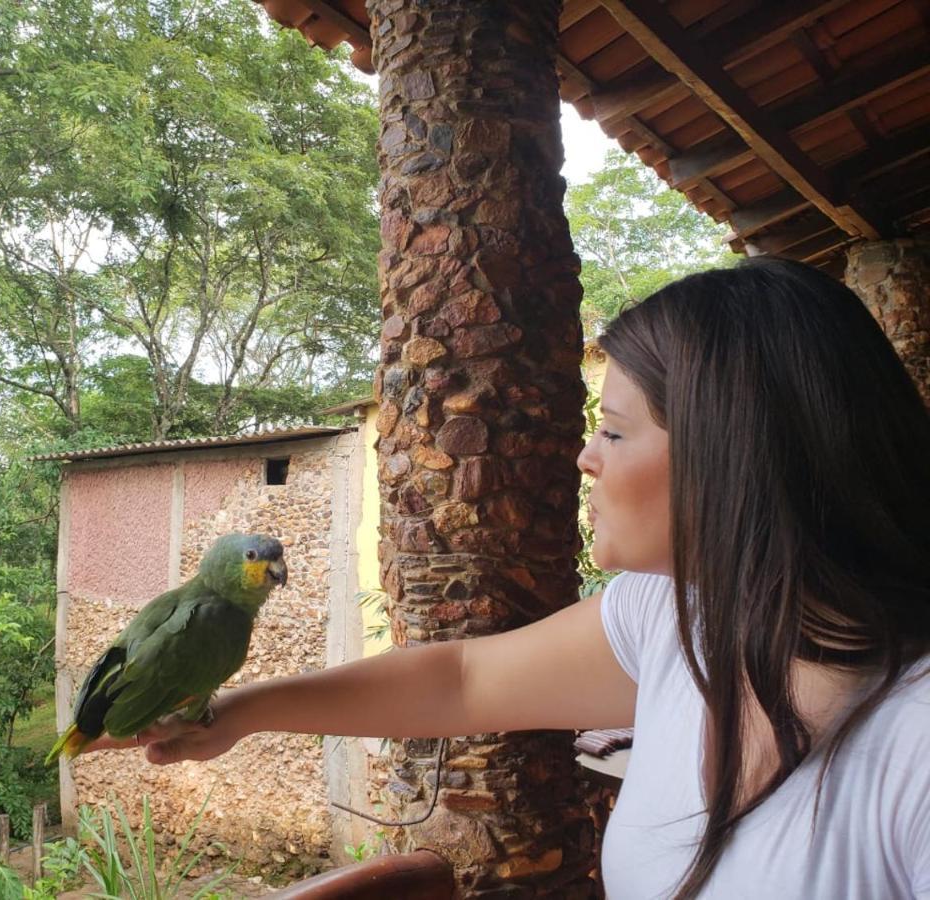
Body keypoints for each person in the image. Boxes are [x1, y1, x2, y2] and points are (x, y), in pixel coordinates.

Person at [82, 259, 930, 898]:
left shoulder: (912, 745)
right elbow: (464, 678)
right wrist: (238, 714)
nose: (585, 457)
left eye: (620, 434)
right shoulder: (680, 617)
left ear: (736, 462)